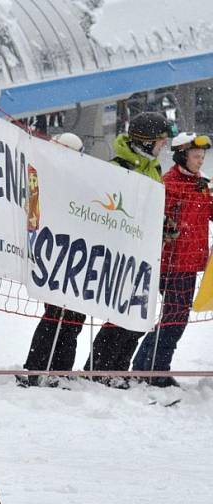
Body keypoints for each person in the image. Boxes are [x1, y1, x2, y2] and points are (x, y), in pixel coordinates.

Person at [82, 112, 174, 387]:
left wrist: (163, 224)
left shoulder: (153, 168)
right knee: (120, 313)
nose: (162, 147)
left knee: (139, 315)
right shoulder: (120, 167)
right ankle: (99, 368)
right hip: (124, 253)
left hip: (147, 254)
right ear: (145, 143)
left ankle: (119, 366)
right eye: (159, 142)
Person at [132, 133, 213, 387]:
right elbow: (156, 221)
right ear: (181, 156)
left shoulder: (200, 184)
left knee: (172, 317)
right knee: (175, 318)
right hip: (172, 263)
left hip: (189, 263)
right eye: (196, 157)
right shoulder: (169, 184)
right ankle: (157, 370)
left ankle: (144, 365)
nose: (200, 161)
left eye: (202, 157)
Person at [19, 133, 87, 387]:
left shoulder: (80, 178)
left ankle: (60, 366)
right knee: (56, 313)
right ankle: (38, 365)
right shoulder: (42, 175)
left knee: (74, 314)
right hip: (53, 252)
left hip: (74, 252)